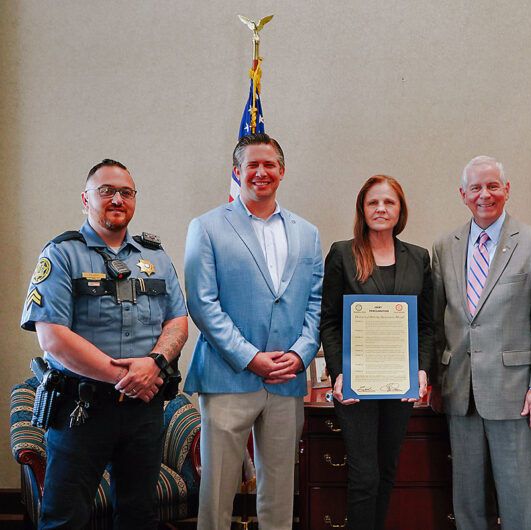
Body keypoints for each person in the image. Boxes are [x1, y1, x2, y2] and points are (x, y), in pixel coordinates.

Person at [20, 159, 188, 529]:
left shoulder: (155, 257)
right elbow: (52, 337)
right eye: (106, 191)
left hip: (144, 409)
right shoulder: (61, 254)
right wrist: (127, 376)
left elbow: (178, 321)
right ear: (85, 199)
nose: (117, 198)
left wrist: (154, 363)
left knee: (139, 516)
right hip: (81, 409)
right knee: (65, 518)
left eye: (125, 192)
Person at [184, 132, 323, 530]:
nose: (261, 172)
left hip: (286, 380)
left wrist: (300, 354)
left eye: (269, 165)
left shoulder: (307, 233)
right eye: (252, 165)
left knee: (281, 494)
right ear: (237, 172)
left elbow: (315, 303)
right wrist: (250, 357)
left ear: (281, 171)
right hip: (229, 376)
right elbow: (203, 304)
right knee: (217, 497)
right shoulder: (207, 227)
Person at [430, 155, 531, 529]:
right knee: (469, 504)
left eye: (493, 186)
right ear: (463, 194)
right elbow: (438, 320)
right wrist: (438, 382)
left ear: (506, 190)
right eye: (475, 188)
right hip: (461, 393)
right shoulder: (444, 247)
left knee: (521, 502)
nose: (484, 195)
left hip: (518, 396)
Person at [319, 175, 434, 529]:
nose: (381, 209)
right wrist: (339, 374)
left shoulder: (418, 257)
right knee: (364, 475)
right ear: (362, 209)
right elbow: (330, 322)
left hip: (400, 385)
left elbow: (427, 325)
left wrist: (423, 370)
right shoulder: (342, 253)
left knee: (387, 471)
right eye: (373, 203)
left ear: (400, 210)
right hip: (355, 386)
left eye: (389, 203)